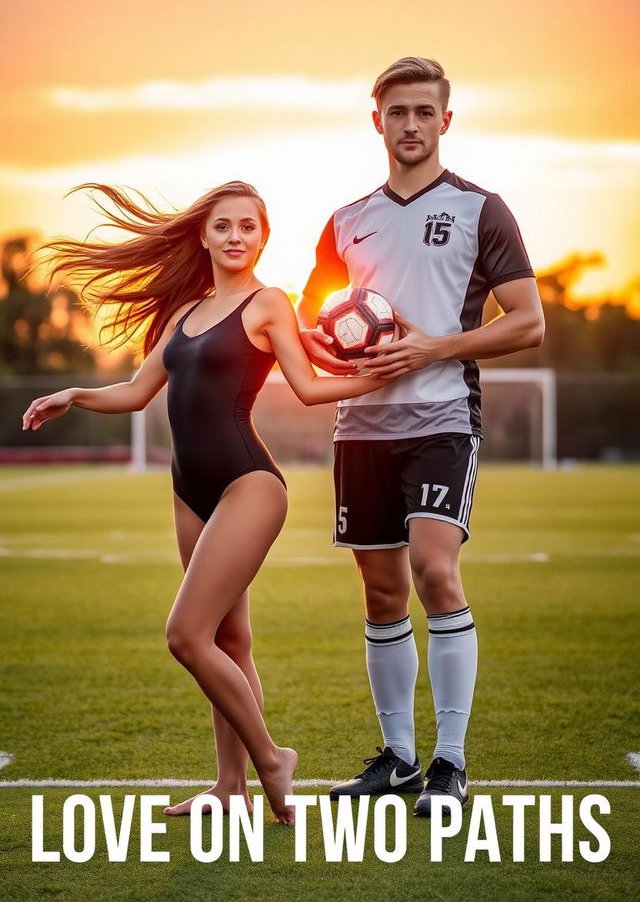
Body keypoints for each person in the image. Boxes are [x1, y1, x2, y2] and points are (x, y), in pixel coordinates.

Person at [22, 179, 395, 825]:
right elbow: (139, 392)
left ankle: (273, 759)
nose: (235, 237)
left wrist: (392, 371)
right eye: (223, 226)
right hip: (188, 488)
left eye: (248, 226)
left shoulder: (268, 303)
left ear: (262, 236)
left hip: (246, 483)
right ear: (204, 234)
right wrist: (77, 393)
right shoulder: (182, 313)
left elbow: (308, 387)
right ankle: (232, 790)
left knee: (186, 635)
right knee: (229, 638)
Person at [297, 57, 545, 816]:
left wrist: (431, 346)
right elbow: (310, 328)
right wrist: (343, 353)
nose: (410, 124)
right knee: (380, 592)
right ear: (377, 122)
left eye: (423, 112)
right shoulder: (345, 220)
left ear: (445, 119)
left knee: (436, 574)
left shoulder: (482, 209)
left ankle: (450, 763)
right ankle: (399, 758)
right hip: (362, 427)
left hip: (442, 419)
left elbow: (529, 325)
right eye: (396, 112)